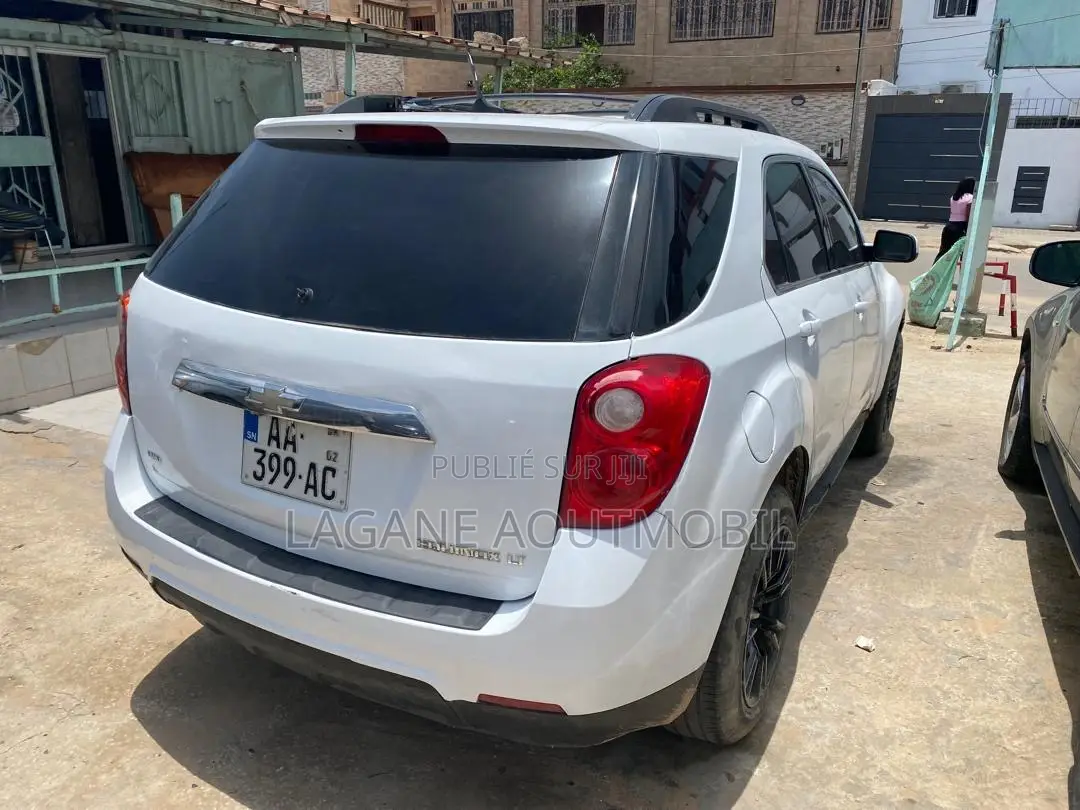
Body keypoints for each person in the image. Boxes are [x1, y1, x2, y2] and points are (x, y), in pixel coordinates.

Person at [935, 177, 975, 262]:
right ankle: (964, 274)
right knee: (964, 255)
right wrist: (969, 230)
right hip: (961, 227)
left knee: (943, 253)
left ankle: (935, 272)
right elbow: (968, 215)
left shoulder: (954, 197)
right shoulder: (970, 198)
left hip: (949, 226)